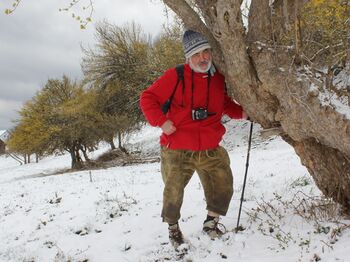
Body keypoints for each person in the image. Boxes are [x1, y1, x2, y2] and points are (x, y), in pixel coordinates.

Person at [140, 29, 248, 248]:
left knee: (223, 183)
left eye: (206, 52)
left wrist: (243, 113)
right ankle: (173, 230)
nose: (203, 58)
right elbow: (147, 98)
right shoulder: (175, 76)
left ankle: (211, 223)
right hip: (178, 148)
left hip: (210, 146)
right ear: (188, 57)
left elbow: (224, 104)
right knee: (173, 191)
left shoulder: (218, 78)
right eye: (197, 54)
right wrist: (161, 121)